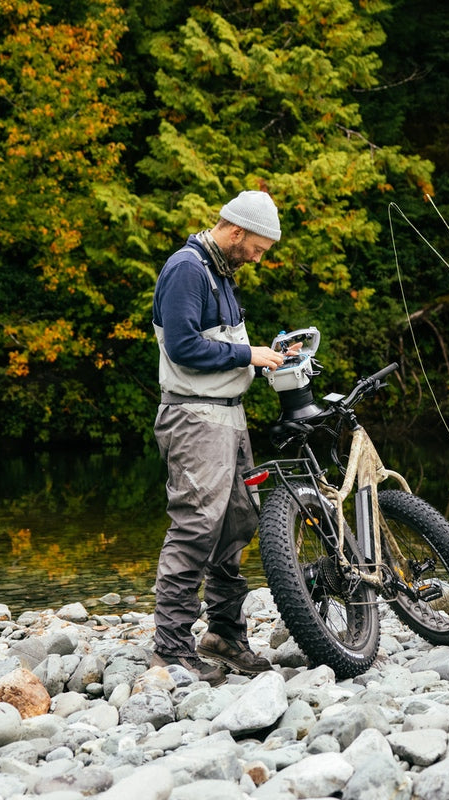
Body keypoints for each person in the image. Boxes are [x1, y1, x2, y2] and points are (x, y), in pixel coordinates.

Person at [150, 190, 296, 685]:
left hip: (228, 418)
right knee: (195, 527)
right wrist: (248, 356)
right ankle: (170, 649)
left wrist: (269, 351)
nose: (259, 257)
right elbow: (185, 346)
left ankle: (224, 636)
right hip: (194, 419)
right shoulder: (188, 269)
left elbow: (223, 343)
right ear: (235, 232)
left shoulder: (221, 273)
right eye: (257, 247)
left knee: (235, 525)